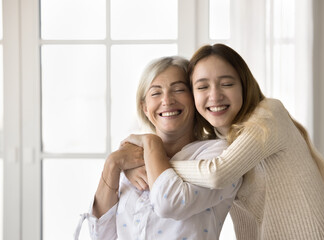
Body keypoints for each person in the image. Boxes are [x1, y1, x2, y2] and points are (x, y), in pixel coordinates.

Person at [124, 44, 324, 240]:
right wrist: (145, 162)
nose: (215, 95)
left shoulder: (268, 114)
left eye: (226, 84)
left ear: (244, 85)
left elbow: (217, 173)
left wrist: (151, 159)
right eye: (202, 87)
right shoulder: (223, 141)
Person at [74, 56, 241, 240]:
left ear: (194, 98)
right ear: (144, 107)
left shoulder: (218, 154)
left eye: (178, 89)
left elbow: (169, 203)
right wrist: (113, 164)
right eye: (155, 93)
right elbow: (101, 235)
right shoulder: (130, 157)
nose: (167, 100)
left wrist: (152, 143)